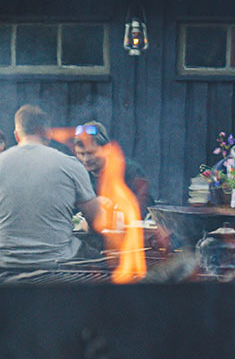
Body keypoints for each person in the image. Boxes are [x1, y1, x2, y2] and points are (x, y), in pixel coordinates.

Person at [0, 104, 101, 271]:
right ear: (48, 134)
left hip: (4, 267)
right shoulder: (70, 165)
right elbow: (98, 221)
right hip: (58, 267)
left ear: (17, 136)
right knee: (101, 258)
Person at [71, 120, 154, 217]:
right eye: (81, 154)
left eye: (91, 153)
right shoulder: (78, 175)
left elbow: (144, 206)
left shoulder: (131, 172)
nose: (86, 159)